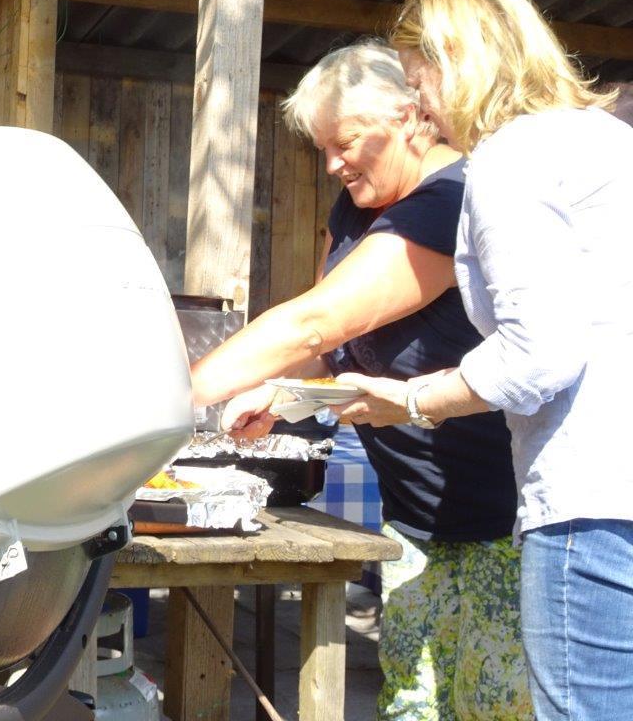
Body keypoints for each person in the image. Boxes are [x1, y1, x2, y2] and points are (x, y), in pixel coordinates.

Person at [191, 42, 531, 720]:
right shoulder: (355, 209)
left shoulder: (452, 202)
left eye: (345, 143)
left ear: (409, 116)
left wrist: (175, 397)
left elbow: (317, 323)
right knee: (412, 702)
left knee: (494, 706)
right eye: (323, 148)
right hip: (414, 516)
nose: (332, 164)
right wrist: (278, 393)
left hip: (502, 520)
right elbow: (338, 347)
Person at [333, 0, 633, 721]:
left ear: (451, 61)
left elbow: (539, 352)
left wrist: (411, 400)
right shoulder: (609, 142)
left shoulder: (512, 155)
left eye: (417, 81)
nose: (421, 107)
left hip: (590, 502)